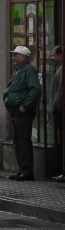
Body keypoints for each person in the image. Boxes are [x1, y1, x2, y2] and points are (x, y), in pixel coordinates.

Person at [3, 45, 41, 181]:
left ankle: (27, 171)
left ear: (23, 57)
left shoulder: (29, 70)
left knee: (23, 141)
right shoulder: (19, 70)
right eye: (14, 55)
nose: (13, 57)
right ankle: (22, 169)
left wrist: (25, 106)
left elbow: (36, 90)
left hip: (23, 113)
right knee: (17, 141)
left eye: (16, 55)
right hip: (16, 113)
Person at [52, 46, 64, 182]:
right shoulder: (59, 69)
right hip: (59, 109)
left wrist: (56, 107)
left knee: (61, 141)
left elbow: (60, 91)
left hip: (60, 110)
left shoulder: (61, 70)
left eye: (54, 55)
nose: (52, 58)